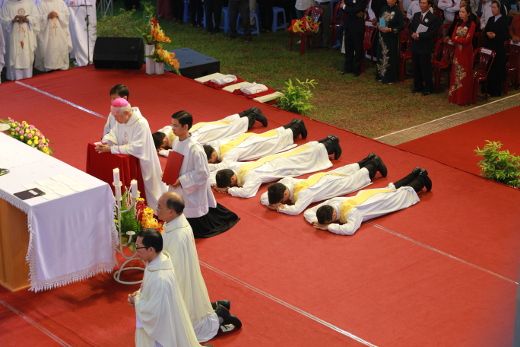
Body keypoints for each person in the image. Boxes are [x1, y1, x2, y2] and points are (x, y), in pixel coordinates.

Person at [157, 192, 242, 343]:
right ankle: (217, 309)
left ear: (171, 211)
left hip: (178, 279)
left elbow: (175, 268)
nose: (156, 209)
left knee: (181, 327)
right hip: (182, 273)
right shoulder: (177, 222)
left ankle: (219, 318)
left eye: (159, 207)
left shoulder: (177, 235)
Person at [127, 229, 212, 347]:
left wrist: (137, 302)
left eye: (138, 247)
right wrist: (139, 294)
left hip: (162, 332)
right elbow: (151, 291)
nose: (136, 251)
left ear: (150, 249)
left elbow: (155, 312)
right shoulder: (156, 263)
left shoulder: (161, 278)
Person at [167, 110, 240, 238]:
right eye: (172, 125)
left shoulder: (196, 148)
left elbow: (202, 173)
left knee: (191, 215)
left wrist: (182, 180)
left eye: (175, 125)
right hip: (178, 184)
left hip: (190, 188)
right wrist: (169, 173)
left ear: (185, 127)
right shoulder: (176, 142)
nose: (172, 128)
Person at [303, 167, 432, 235]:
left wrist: (328, 227)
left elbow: (349, 229)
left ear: (334, 215)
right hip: (369, 195)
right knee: (391, 188)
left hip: (378, 203)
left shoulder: (351, 213)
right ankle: (414, 174)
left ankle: (422, 178)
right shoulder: (330, 204)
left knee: (401, 195)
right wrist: (317, 222)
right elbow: (308, 212)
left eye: (329, 221)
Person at [212, 135, 342, 198]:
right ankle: (327, 141)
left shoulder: (251, 177)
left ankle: (331, 144)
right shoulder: (236, 168)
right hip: (272, 160)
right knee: (301, 152)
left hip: (281, 166)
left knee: (305, 159)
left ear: (232, 180)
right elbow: (227, 166)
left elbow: (247, 193)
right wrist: (215, 183)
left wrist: (228, 190)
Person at [96, 98, 167, 211]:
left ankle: (154, 211)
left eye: (116, 116)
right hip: (129, 161)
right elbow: (113, 133)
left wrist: (112, 149)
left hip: (143, 161)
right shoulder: (122, 120)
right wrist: (106, 141)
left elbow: (137, 147)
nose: (115, 119)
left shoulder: (140, 123)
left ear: (126, 113)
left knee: (151, 189)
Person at [261, 153, 388, 215]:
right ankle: (368, 160)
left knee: (355, 180)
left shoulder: (304, 194)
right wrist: (272, 203)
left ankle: (374, 164)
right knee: (344, 170)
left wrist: (278, 208)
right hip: (322, 178)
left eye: (281, 200)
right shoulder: (286, 181)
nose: (282, 202)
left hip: (332, 185)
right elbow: (264, 196)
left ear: (285, 193)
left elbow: (296, 210)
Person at [203, 118, 307, 172]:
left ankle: (298, 126)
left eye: (211, 160)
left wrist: (207, 166)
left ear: (212, 155)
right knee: (273, 134)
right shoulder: (216, 144)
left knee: (277, 140)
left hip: (255, 145)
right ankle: (293, 124)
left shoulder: (228, 154)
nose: (213, 162)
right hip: (248, 139)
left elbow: (224, 166)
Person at [153, 107, 268, 154]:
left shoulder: (174, 141)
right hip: (200, 128)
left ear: (164, 142)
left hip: (201, 134)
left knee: (228, 128)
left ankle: (253, 115)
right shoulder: (166, 130)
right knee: (223, 122)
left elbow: (178, 153)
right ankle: (248, 112)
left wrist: (162, 151)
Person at [0, 0, 40, 81]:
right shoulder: (7, 4)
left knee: (26, 54)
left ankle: (27, 76)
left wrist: (28, 19)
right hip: (13, 35)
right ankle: (13, 77)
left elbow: (36, 17)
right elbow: (2, 19)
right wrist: (12, 21)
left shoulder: (30, 3)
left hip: (27, 35)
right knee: (13, 54)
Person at [410, 0, 440, 95]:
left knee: (425, 67)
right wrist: (412, 34)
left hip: (425, 45)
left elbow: (433, 33)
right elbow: (410, 28)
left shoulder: (433, 18)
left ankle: (428, 87)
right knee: (416, 66)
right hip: (415, 44)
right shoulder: (416, 15)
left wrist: (419, 36)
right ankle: (418, 86)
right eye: (421, 3)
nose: (421, 5)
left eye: (424, 3)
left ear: (429, 5)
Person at [448, 4, 475, 105]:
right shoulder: (458, 23)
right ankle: (454, 97)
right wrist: (459, 39)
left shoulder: (471, 24)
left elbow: (468, 39)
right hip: (458, 51)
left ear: (468, 13)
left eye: (463, 12)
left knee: (464, 73)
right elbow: (452, 37)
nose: (461, 14)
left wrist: (457, 39)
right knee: (456, 72)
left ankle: (463, 98)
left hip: (466, 51)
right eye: (460, 12)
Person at [34, 0, 71, 72]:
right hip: (47, 33)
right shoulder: (42, 4)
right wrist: (47, 16)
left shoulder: (61, 2)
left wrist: (58, 15)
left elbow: (66, 15)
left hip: (60, 31)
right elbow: (37, 18)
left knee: (60, 45)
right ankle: (48, 67)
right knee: (48, 47)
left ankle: (61, 65)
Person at [483, 1, 509, 97]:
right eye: (492, 7)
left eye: (494, 7)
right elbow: (485, 30)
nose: (492, 9)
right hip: (489, 46)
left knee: (496, 70)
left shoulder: (503, 20)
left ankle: (496, 91)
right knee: (489, 68)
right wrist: (487, 34)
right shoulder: (490, 19)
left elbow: (506, 36)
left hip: (498, 48)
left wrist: (495, 36)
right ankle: (487, 89)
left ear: (499, 8)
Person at [376, 0, 405, 84]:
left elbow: (402, 26)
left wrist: (391, 29)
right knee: (381, 54)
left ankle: (389, 77)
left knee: (390, 55)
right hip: (382, 36)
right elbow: (379, 19)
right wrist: (379, 26)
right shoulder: (384, 8)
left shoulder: (397, 11)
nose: (389, 1)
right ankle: (381, 75)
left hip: (391, 37)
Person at [340, 0, 367, 77]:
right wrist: (352, 10)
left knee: (358, 48)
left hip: (357, 27)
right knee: (348, 48)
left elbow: (356, 9)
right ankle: (348, 68)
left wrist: (346, 7)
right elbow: (342, 7)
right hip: (348, 25)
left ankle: (357, 69)